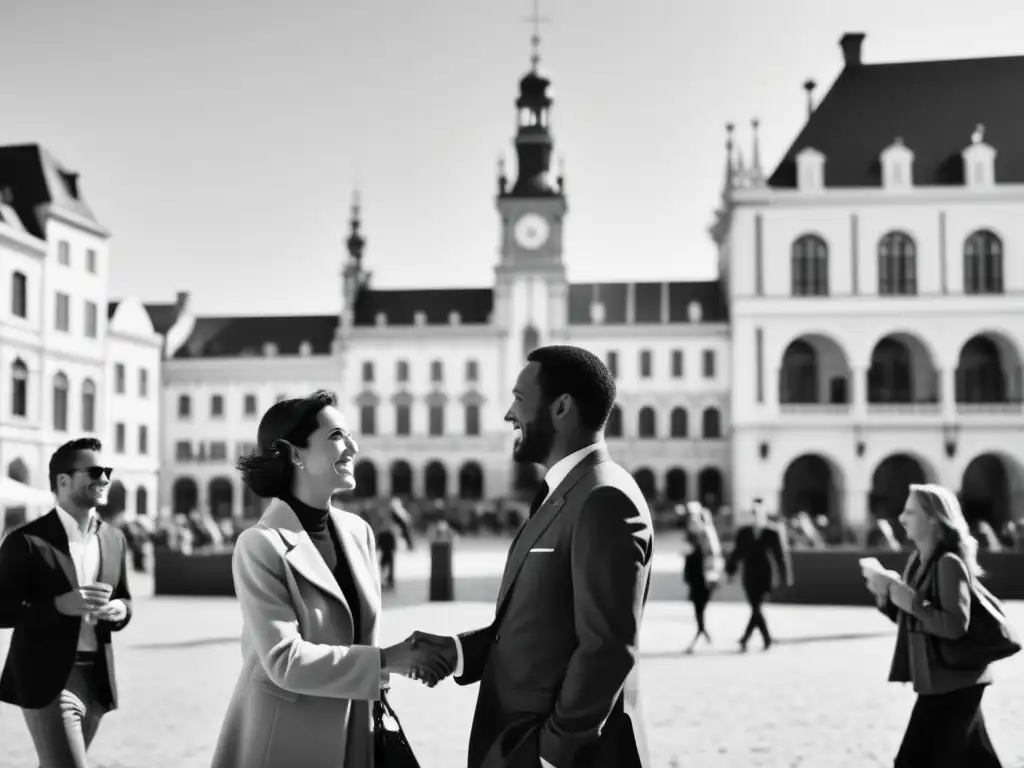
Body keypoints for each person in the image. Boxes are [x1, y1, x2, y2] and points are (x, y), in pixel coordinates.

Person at [408, 345, 654, 768]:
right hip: (520, 740)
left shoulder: (604, 497)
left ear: (561, 407)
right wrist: (458, 652)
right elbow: (545, 625)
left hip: (553, 752)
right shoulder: (569, 490)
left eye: (520, 399)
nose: (508, 414)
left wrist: (552, 753)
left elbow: (607, 648)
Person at [209, 390, 446, 768]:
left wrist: (397, 665)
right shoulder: (259, 545)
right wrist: (386, 660)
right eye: (337, 436)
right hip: (285, 738)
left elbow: (362, 635)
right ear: (293, 453)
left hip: (355, 733)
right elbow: (284, 660)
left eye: (349, 434)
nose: (353, 446)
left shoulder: (359, 532)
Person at [0, 437, 133, 768]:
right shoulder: (26, 541)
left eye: (107, 470)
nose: (104, 478)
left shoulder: (114, 539)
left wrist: (120, 610)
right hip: (47, 679)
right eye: (95, 470)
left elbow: (125, 597)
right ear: (63, 480)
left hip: (97, 679)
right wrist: (60, 605)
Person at [867, 484, 1004, 767]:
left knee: (912, 761)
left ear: (933, 518)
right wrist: (887, 595)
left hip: (954, 681)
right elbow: (915, 622)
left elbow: (954, 626)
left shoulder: (948, 563)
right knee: (977, 758)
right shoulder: (918, 560)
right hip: (940, 679)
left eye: (910, 512)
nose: (902, 518)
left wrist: (906, 598)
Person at [725, 498, 791, 652]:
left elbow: (780, 555)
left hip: (764, 574)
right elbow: (737, 553)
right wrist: (730, 571)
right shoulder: (744, 533)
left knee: (757, 607)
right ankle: (763, 638)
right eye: (752, 512)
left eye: (757, 512)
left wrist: (785, 575)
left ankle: (747, 638)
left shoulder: (772, 532)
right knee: (755, 607)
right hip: (749, 574)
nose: (755, 515)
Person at [682, 502, 723, 653]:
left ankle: (701, 634)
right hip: (694, 575)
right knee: (698, 607)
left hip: (704, 575)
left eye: (695, 518)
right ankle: (702, 633)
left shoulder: (706, 534)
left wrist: (713, 574)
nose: (692, 521)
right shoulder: (692, 534)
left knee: (700, 607)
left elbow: (713, 555)